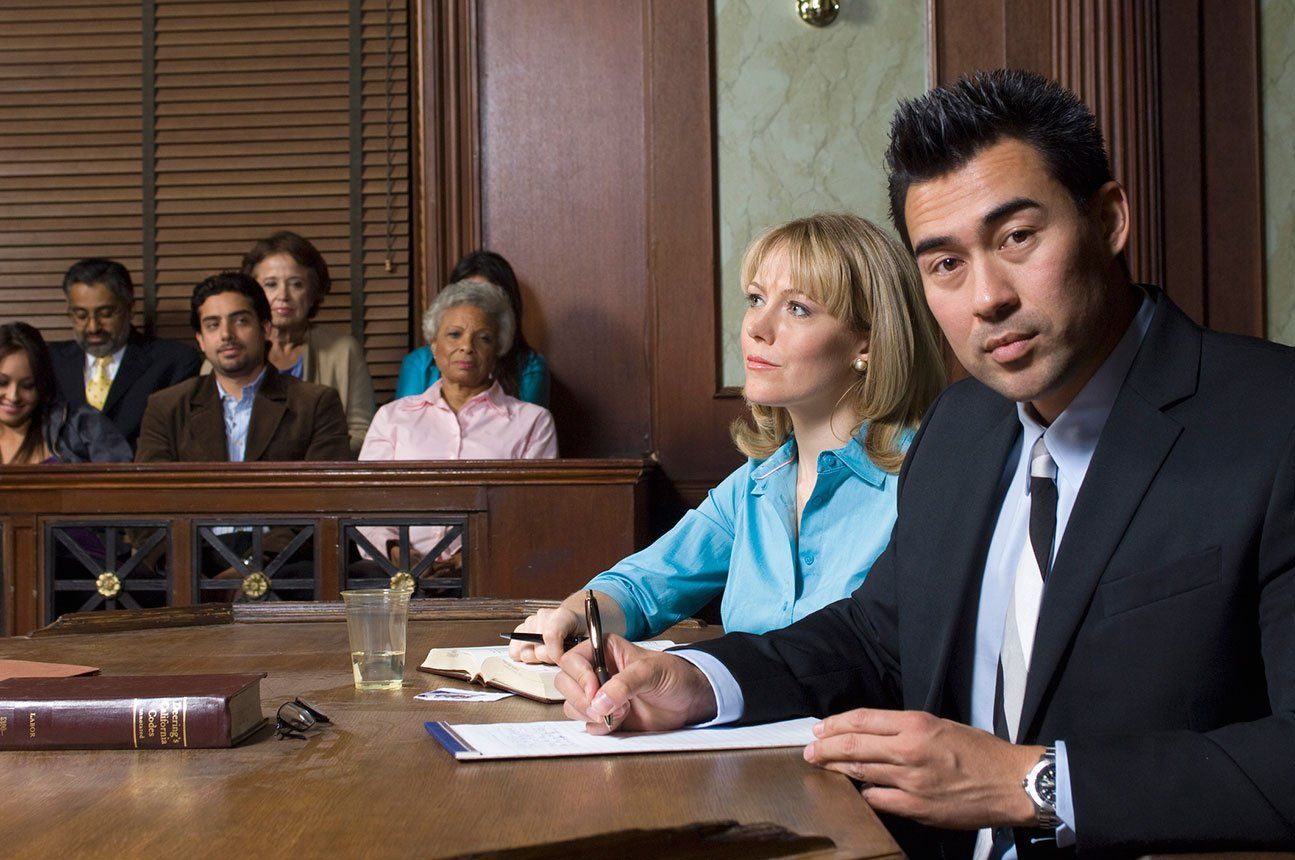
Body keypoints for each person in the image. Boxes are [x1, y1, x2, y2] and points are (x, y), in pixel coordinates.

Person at [554, 70, 1295, 858]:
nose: (986, 298)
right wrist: (702, 683)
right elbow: (875, 637)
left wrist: (1033, 783)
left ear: (1108, 218)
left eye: (1017, 238)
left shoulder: (1273, 421)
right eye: (944, 264)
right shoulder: (962, 424)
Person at [510, 213, 945, 664]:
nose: (756, 327)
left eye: (797, 308)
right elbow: (642, 587)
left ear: (867, 343)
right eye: (756, 299)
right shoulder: (756, 483)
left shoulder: (927, 479)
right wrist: (574, 616)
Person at [359, 279, 557, 566]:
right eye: (454, 334)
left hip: (492, 571)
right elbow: (364, 503)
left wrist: (468, 559)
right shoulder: (392, 417)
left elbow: (532, 511)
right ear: (434, 345)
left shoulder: (532, 422)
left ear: (499, 348)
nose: (467, 347)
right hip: (395, 575)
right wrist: (395, 553)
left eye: (483, 338)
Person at [135, 272, 352, 463]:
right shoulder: (166, 408)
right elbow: (153, 491)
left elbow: (324, 491)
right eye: (213, 325)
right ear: (200, 339)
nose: (226, 334)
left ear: (265, 328)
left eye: (240, 321)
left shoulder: (315, 404)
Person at [241, 231, 376, 455]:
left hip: (322, 471)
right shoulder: (232, 351)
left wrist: (308, 462)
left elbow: (365, 434)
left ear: (313, 292)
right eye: (271, 284)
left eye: (296, 284)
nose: (283, 295)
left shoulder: (343, 351)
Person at [48, 258, 201, 451]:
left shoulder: (174, 362)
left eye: (105, 314)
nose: (93, 327)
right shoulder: (50, 361)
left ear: (130, 308)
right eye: (81, 315)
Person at [394, 250, 550, 406]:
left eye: (487, 296)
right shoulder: (419, 362)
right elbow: (405, 417)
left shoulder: (529, 366)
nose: (474, 306)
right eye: (465, 294)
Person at [0, 322, 132, 464]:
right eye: (2, 383)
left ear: (42, 383)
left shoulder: (81, 425)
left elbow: (120, 475)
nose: (13, 396)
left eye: (27, 386)